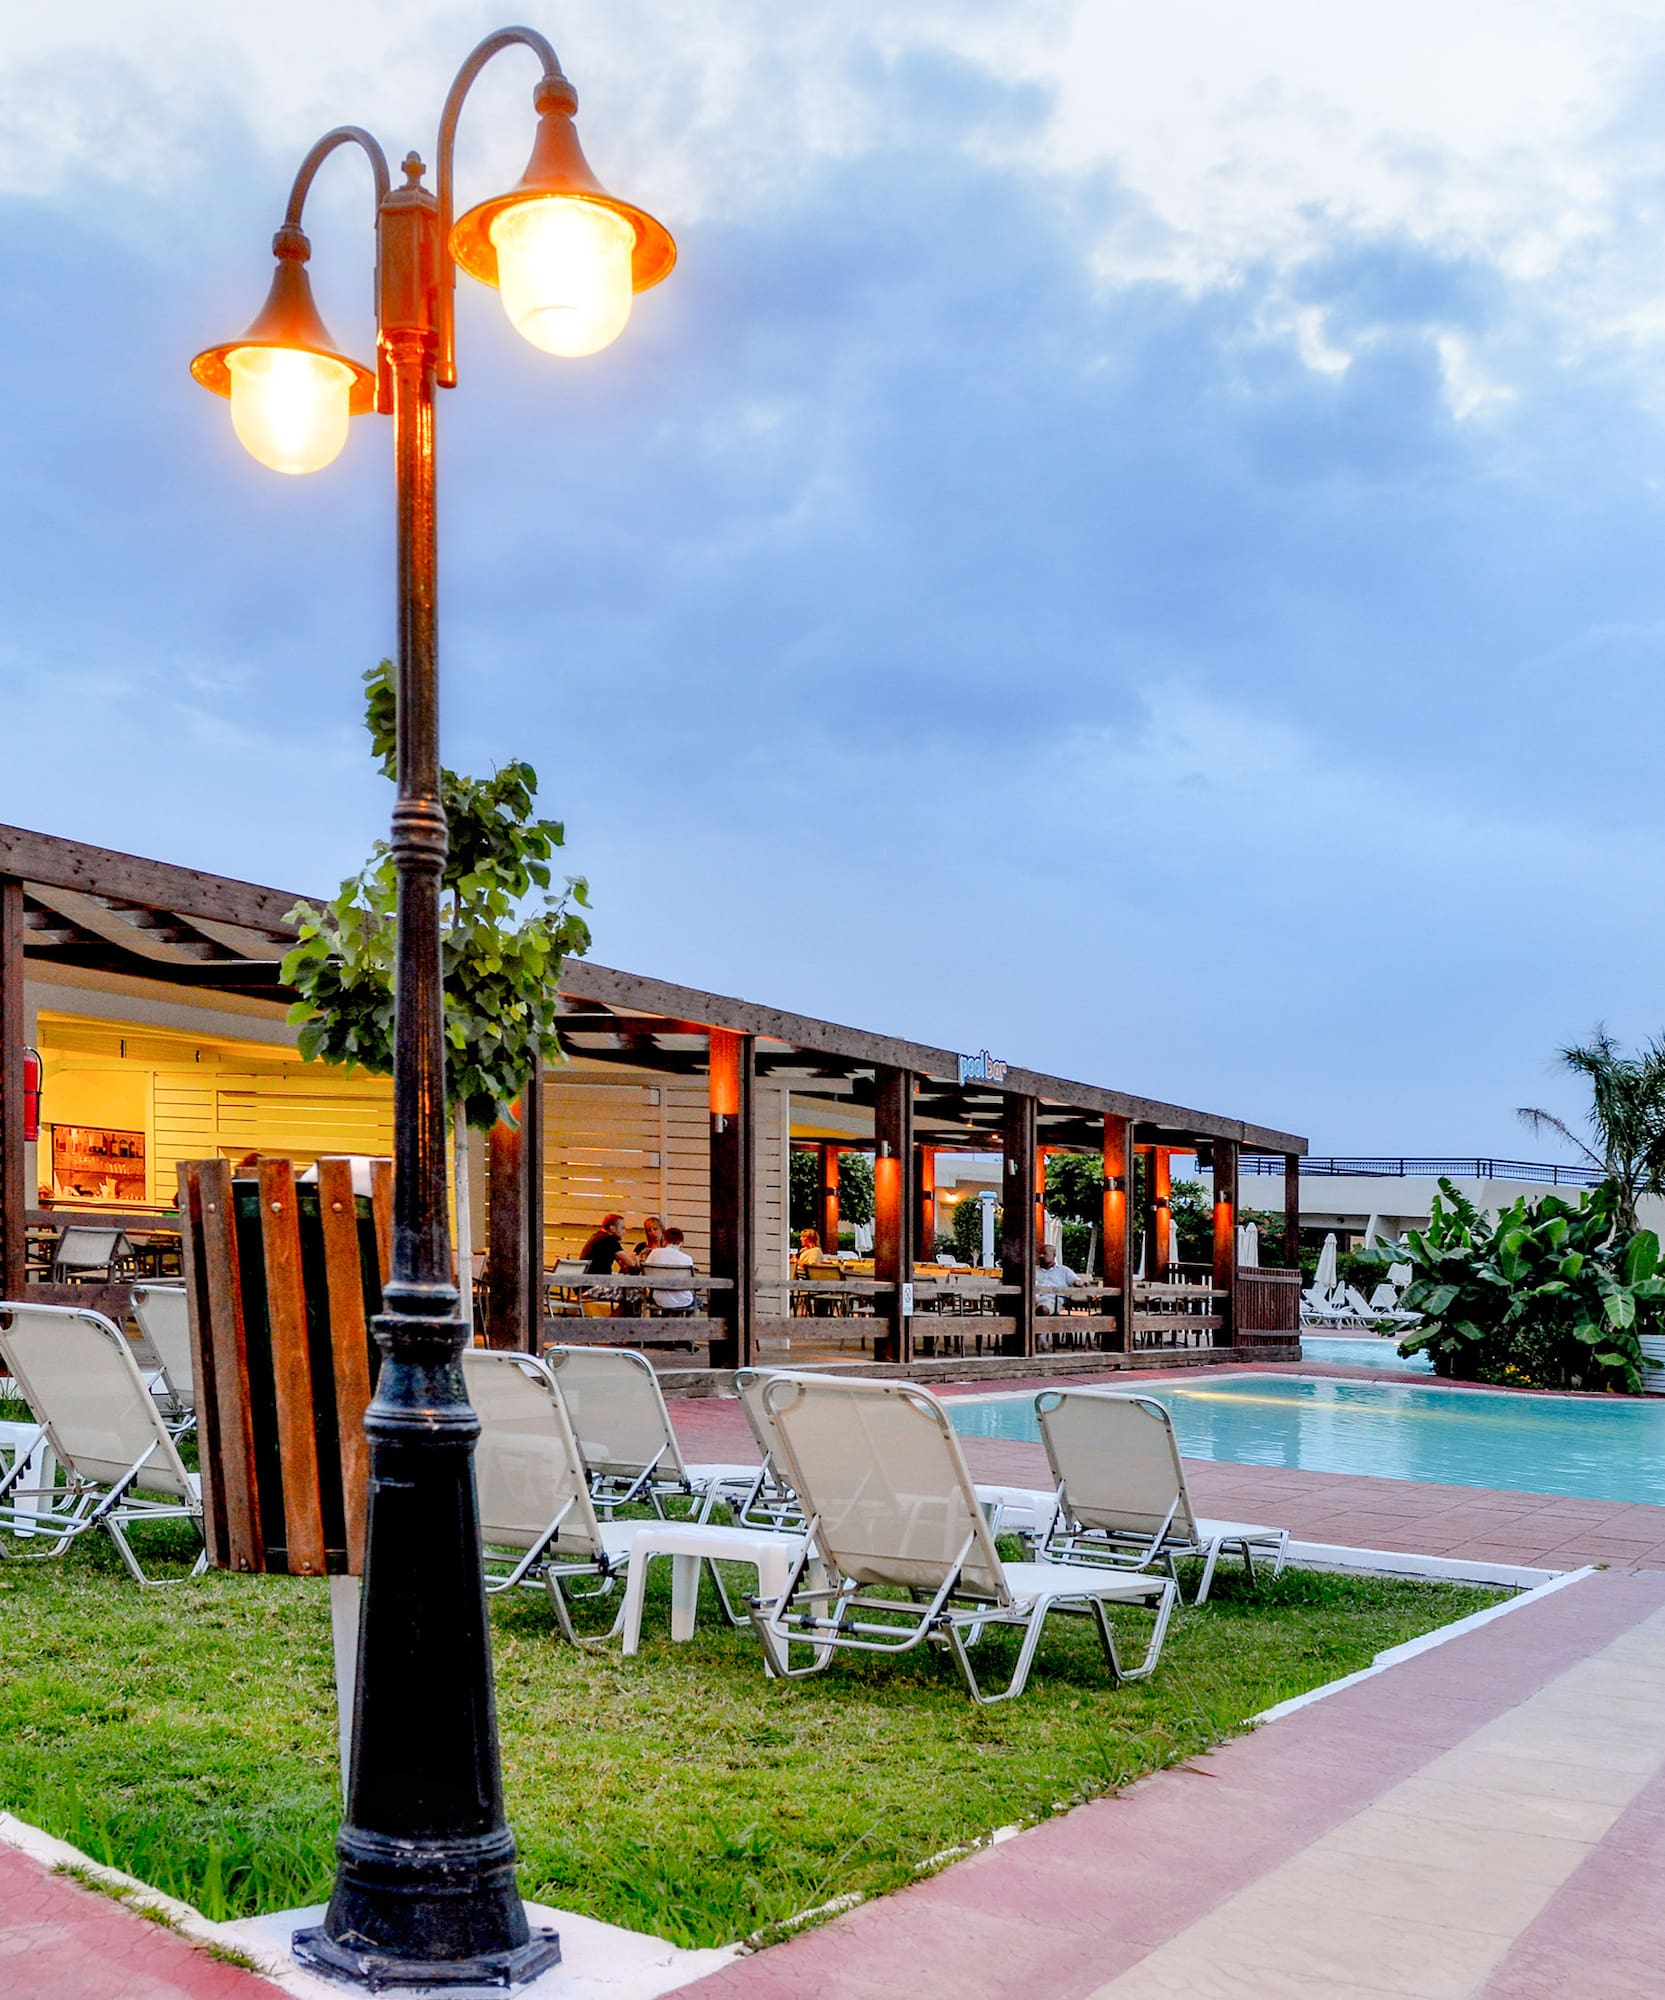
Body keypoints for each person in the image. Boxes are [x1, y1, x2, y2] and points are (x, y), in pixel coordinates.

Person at [641, 1225, 697, 1314]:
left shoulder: (655, 1253)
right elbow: (691, 1284)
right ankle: (685, 1325)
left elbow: (644, 1275)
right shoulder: (687, 1259)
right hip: (683, 1300)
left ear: (664, 1240)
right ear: (681, 1243)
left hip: (659, 1299)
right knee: (698, 1302)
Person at [1035, 1242, 1078, 1315]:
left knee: (1042, 1310)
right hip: (1031, 1300)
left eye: (1045, 1253)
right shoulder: (1033, 1270)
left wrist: (1078, 1282)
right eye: (1040, 1253)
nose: (1041, 1256)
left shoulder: (1064, 1270)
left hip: (1052, 1300)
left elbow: (1076, 1281)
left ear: (1053, 1255)